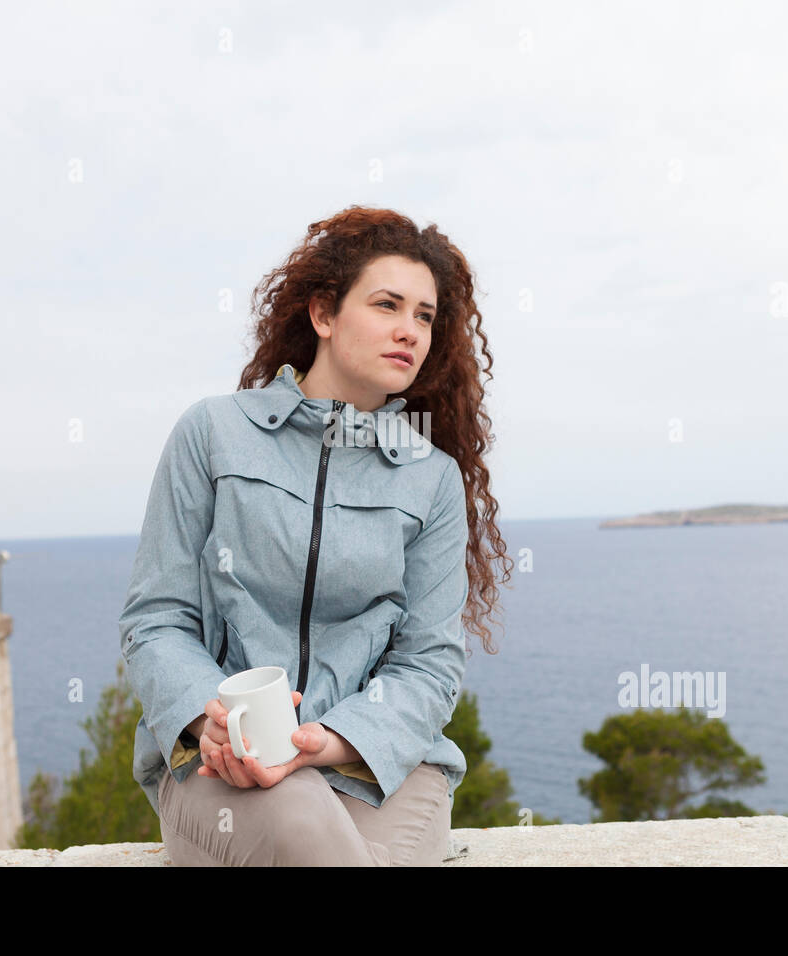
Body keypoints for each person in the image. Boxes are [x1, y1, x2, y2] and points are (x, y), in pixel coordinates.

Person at [119, 205, 511, 866]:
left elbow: (430, 661)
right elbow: (156, 621)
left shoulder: (433, 480)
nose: (408, 331)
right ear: (324, 314)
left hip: (381, 763)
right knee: (306, 829)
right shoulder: (212, 435)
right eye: (387, 305)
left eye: (423, 315)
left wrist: (328, 741)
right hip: (221, 764)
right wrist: (210, 717)